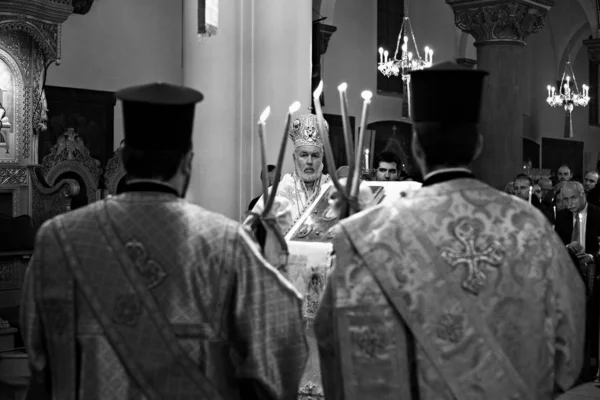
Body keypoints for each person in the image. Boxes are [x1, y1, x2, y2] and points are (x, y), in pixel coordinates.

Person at [20, 82, 308, 400]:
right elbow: (282, 341)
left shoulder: (57, 238)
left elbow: (37, 355)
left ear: (125, 158)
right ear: (187, 162)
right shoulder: (225, 242)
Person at [314, 62, 585, 399]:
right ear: (478, 146)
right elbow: (570, 349)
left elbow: (331, 341)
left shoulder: (367, 234)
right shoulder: (529, 227)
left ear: (415, 148)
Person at [554, 181, 600, 381]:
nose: (569, 203)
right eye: (565, 199)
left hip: (595, 272)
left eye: (573, 198)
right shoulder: (562, 216)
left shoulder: (598, 214)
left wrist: (592, 257)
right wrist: (566, 247)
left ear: (583, 195)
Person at [252, 113, 330, 225]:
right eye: (303, 155)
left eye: (315, 155)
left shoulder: (333, 188)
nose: (309, 161)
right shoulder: (275, 194)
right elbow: (250, 234)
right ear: (294, 158)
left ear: (322, 158)